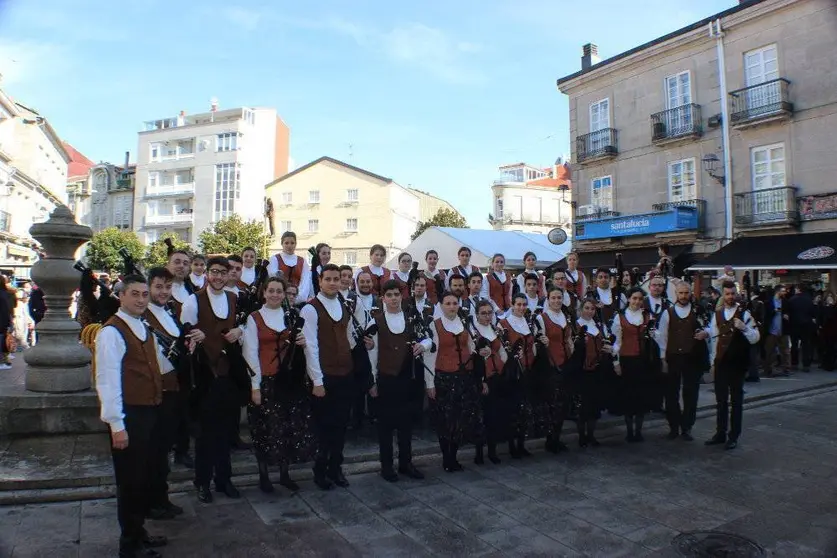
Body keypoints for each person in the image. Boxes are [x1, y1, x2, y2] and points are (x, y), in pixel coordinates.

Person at [93, 274, 171, 558]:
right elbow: (108, 379)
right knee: (129, 482)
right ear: (121, 296)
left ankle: (139, 532)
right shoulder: (112, 332)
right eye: (134, 294)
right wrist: (116, 424)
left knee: (142, 477)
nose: (140, 300)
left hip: (149, 411)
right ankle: (129, 545)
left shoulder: (142, 326)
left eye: (144, 294)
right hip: (130, 415)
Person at [300, 264, 372, 490]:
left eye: (336, 279)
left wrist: (363, 344)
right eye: (328, 279)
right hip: (324, 376)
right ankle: (320, 471)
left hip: (345, 375)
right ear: (319, 281)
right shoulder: (310, 309)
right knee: (324, 428)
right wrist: (317, 381)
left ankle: (335, 468)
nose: (333, 282)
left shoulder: (344, 304)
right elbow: (310, 347)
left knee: (341, 426)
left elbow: (348, 336)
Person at [242, 276, 316, 493]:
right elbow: (250, 353)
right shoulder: (254, 318)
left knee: (288, 428)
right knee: (265, 429)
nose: (275, 294)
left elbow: (304, 346)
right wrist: (255, 386)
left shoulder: (291, 317)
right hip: (266, 381)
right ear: (264, 293)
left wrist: (302, 342)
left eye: (279, 291)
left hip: (290, 382)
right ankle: (263, 476)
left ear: (284, 294)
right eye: (271, 290)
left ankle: (285, 474)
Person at [143, 267, 205, 520]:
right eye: (158, 287)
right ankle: (153, 501)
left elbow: (178, 344)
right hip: (156, 391)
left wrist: (193, 338)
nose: (163, 292)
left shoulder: (168, 312)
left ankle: (161, 497)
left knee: (163, 448)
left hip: (175, 388)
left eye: (167, 287)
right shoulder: (143, 313)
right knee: (155, 450)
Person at [180, 256, 244, 502]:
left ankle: (224, 479)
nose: (218, 277)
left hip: (227, 373)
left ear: (229, 275)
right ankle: (202, 482)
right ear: (207, 273)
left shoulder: (233, 298)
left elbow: (243, 326)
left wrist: (241, 330)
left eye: (222, 272)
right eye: (214, 272)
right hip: (205, 375)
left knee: (227, 431)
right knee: (206, 435)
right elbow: (183, 337)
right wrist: (193, 337)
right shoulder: (192, 300)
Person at [367, 280, 430, 482]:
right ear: (383, 298)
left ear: (401, 297)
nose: (393, 298)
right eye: (389, 295)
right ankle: (386, 466)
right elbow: (371, 354)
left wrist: (424, 346)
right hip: (385, 379)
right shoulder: (375, 321)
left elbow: (428, 337)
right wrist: (372, 382)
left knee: (405, 425)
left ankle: (405, 463)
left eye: (396, 294)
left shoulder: (411, 318)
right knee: (385, 426)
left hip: (407, 379)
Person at [424, 291, 483, 472]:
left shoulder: (465, 322)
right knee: (445, 421)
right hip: (444, 378)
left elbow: (472, 347)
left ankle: (454, 456)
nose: (451, 307)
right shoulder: (434, 326)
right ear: (441, 305)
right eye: (448, 303)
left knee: (461, 419)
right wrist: (430, 383)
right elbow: (429, 356)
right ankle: (446, 458)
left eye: (454, 303)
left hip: (464, 378)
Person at [704, 281, 760, 450]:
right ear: (723, 295)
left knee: (736, 401)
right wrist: (713, 360)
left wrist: (744, 328)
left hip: (737, 363)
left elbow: (756, 337)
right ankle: (720, 433)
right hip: (721, 362)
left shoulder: (745, 314)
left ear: (736, 294)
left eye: (732, 294)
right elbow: (714, 336)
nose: (730, 297)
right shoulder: (718, 314)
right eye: (727, 294)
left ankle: (734, 436)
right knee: (720, 400)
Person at [654, 282, 708, 441]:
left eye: (686, 293)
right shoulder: (667, 313)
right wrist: (663, 358)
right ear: (676, 294)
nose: (684, 296)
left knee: (691, 394)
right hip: (673, 357)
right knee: (671, 394)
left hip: (693, 358)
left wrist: (705, 332)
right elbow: (662, 337)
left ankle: (687, 427)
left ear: (690, 293)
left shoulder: (698, 311)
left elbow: (710, 327)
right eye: (681, 293)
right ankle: (673, 426)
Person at [611, 287, 656, 443]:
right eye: (634, 298)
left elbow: (654, 337)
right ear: (628, 299)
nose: (637, 301)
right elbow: (616, 342)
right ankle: (629, 431)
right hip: (627, 361)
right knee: (628, 397)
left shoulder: (648, 316)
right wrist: (616, 362)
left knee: (641, 397)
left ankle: (639, 431)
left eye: (639, 299)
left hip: (643, 361)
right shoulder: (620, 317)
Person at [165, 250, 196, 468]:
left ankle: (182, 449)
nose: (181, 266)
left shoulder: (192, 289)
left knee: (185, 404)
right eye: (177, 262)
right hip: (165, 356)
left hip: (188, 355)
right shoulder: (160, 290)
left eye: (185, 263)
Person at [498, 293, 536, 458]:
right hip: (512, 374)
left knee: (524, 410)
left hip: (527, 371)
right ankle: (512, 445)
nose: (521, 308)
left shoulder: (529, 323)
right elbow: (500, 350)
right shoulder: (503, 324)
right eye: (518, 304)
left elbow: (533, 347)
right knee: (512, 410)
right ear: (512, 305)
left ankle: (522, 444)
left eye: (524, 305)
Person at [471, 299, 508, 464]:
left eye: (489, 313)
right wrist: (481, 381)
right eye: (483, 313)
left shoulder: (494, 328)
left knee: (494, 416)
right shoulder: (473, 331)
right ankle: (479, 453)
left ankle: (492, 451)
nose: (487, 316)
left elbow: (503, 352)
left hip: (496, 378)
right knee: (481, 417)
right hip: (481, 380)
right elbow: (473, 359)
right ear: (477, 314)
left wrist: (500, 365)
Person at [537, 287, 574, 453]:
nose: (557, 301)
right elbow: (541, 344)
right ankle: (550, 440)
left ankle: (557, 438)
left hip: (566, 364)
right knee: (552, 404)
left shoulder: (565, 316)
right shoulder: (542, 318)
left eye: (559, 297)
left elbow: (569, 339)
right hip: (551, 366)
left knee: (563, 403)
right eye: (553, 298)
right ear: (548, 299)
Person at [574, 298, 611, 447]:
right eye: (587, 308)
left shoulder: (599, 326)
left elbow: (607, 343)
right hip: (582, 371)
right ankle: (581, 436)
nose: (590, 311)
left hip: (598, 370)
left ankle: (591, 435)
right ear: (581, 309)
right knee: (583, 406)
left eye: (592, 309)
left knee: (595, 405)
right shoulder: (576, 326)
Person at [268, 232, 312, 301]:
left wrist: (297, 298)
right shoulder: (274, 259)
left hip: (298, 299)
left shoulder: (303, 261)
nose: (289, 246)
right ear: (282, 244)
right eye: (286, 243)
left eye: (292, 243)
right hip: (278, 299)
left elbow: (305, 283)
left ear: (295, 244)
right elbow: (273, 278)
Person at [787, 287, 817, 372]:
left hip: (794, 325)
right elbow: (813, 313)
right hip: (806, 325)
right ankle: (806, 365)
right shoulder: (809, 300)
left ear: (798, 290)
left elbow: (789, 312)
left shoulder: (792, 300)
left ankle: (794, 363)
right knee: (806, 345)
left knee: (794, 345)